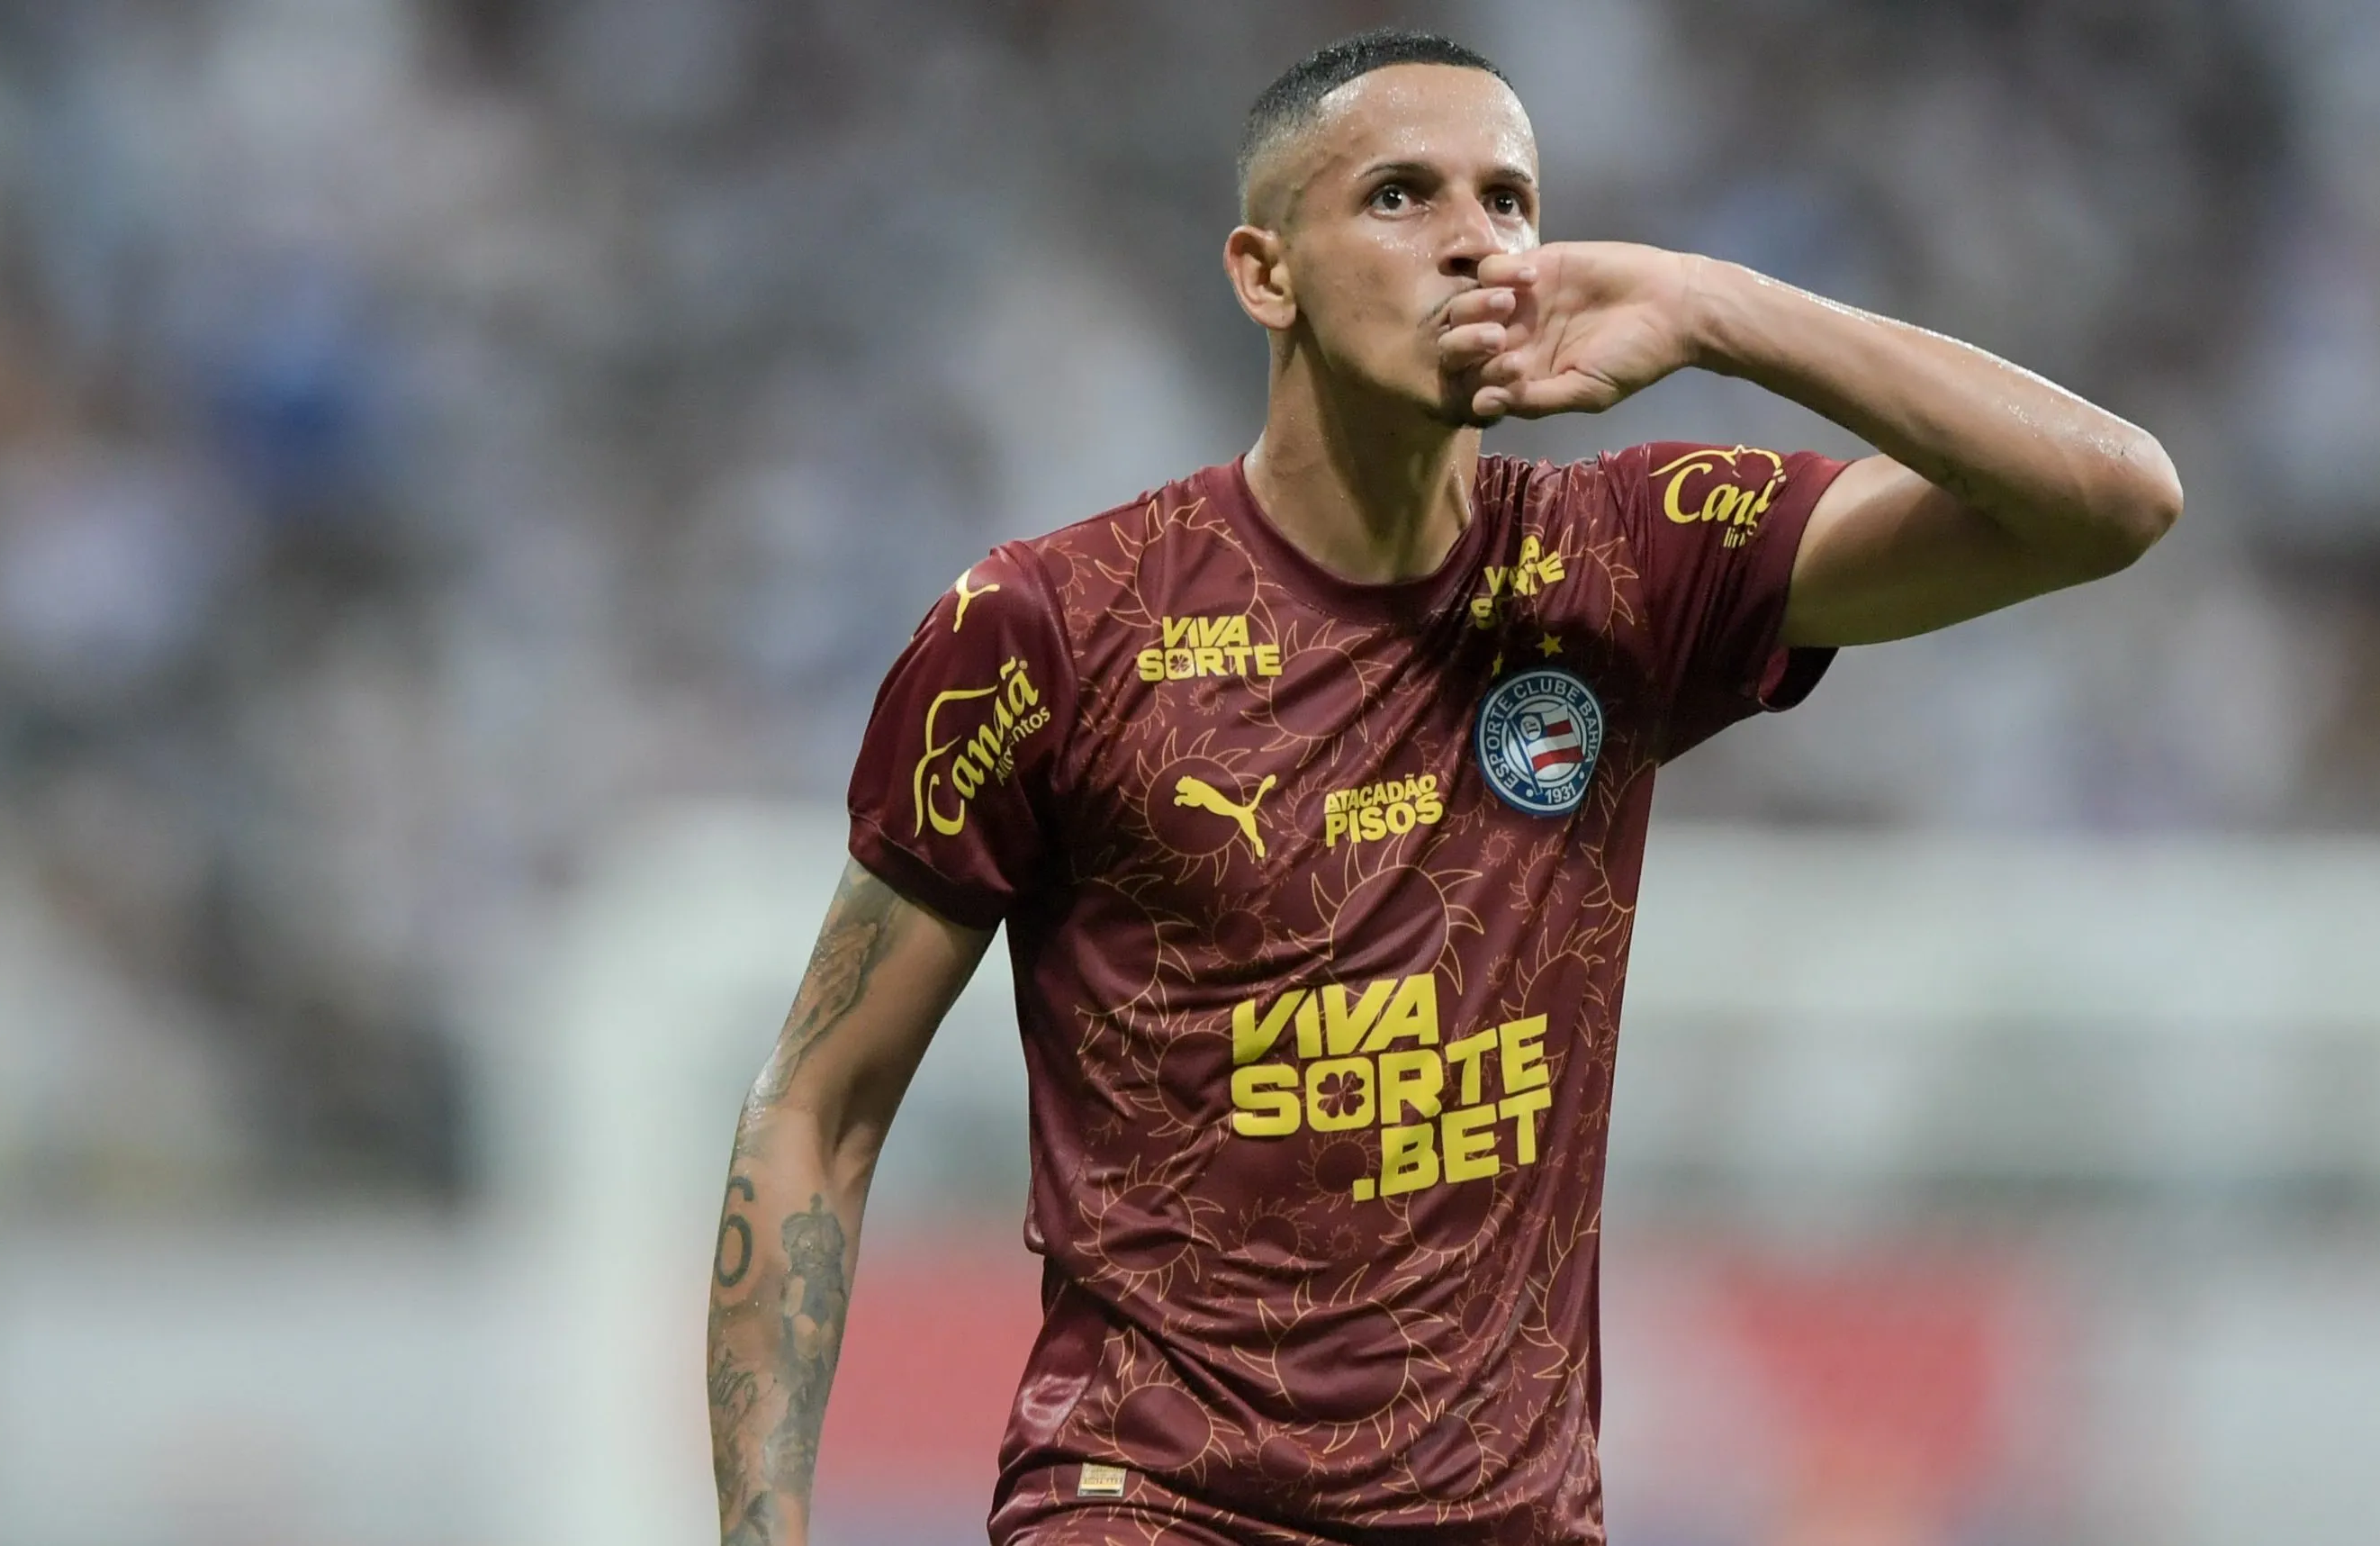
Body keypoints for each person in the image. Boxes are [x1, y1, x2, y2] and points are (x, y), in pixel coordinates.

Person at [706, 26, 2179, 1546]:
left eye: (1511, 200)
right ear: (1264, 273)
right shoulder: (1050, 632)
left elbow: (2111, 498)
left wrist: (1714, 303)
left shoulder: (1628, 561)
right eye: (1401, 196)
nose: (1475, 241)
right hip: (1148, 1504)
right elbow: (818, 1106)